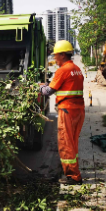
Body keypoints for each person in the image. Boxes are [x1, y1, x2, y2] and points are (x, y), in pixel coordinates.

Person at [39, 41, 85, 185]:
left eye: (56, 56)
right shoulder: (76, 69)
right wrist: (47, 85)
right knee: (73, 142)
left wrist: (38, 87)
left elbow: (48, 92)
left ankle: (73, 176)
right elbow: (63, 85)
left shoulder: (63, 70)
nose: (55, 59)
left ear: (63, 55)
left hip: (67, 110)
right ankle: (74, 170)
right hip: (78, 110)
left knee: (66, 143)